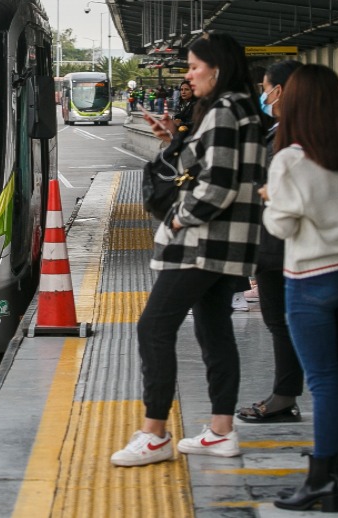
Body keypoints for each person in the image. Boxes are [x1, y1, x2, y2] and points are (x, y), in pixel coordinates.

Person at [110, 32, 265, 467]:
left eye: (195, 66)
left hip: (199, 243)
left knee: (153, 327)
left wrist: (179, 219)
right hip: (227, 246)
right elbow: (207, 169)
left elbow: (216, 185)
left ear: (217, 68)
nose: (188, 74)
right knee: (214, 331)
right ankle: (220, 431)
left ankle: (154, 432)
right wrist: (173, 140)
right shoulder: (243, 110)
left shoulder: (223, 112)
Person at [262, 64, 338, 512]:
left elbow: (282, 226)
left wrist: (269, 199)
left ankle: (322, 477)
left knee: (323, 383)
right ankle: (337, 473)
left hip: (310, 280)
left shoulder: (290, 159)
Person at [237, 59, 305, 424]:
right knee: (283, 322)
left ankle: (284, 396)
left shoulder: (291, 136)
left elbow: (277, 191)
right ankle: (285, 393)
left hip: (280, 246)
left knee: (282, 322)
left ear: (280, 91)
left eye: (265, 89)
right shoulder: (291, 129)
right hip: (280, 245)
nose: (263, 95)